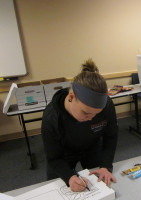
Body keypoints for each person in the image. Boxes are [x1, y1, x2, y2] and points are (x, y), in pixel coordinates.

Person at [42, 59, 118, 192]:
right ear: (71, 96)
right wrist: (69, 177)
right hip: (63, 155)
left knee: (98, 186)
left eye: (96, 114)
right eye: (86, 113)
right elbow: (53, 158)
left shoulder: (106, 105)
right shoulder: (51, 118)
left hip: (92, 147)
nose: (91, 118)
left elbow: (111, 137)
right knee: (58, 191)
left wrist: (105, 166)